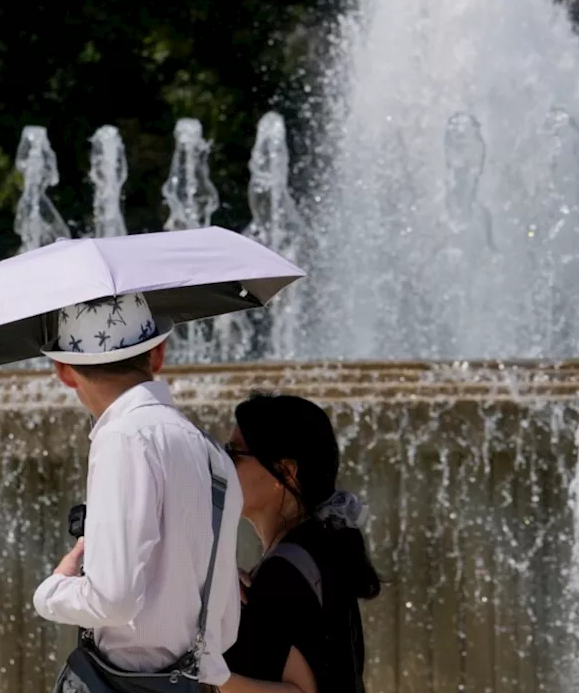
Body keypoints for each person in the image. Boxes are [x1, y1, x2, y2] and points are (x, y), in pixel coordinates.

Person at [32, 292, 245, 690]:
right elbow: (225, 626)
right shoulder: (213, 454)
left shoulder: (123, 439)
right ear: (159, 355)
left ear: (62, 370)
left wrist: (53, 590)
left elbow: (114, 598)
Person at [219, 393, 382, 693]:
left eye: (234, 453)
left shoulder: (287, 569)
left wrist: (209, 677)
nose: (224, 463)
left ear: (285, 472)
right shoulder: (315, 550)